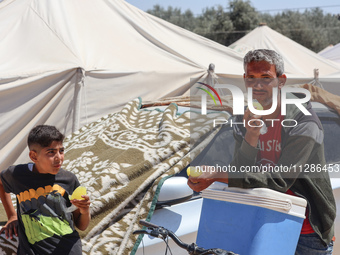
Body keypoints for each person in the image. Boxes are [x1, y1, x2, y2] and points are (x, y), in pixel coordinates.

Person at [188, 49, 336, 254]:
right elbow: (242, 169)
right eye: (251, 78)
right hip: (263, 219)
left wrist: (217, 175)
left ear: (281, 81)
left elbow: (279, 180)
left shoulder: (304, 121)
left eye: (266, 78)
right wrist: (252, 135)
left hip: (306, 230)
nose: (257, 85)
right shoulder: (244, 117)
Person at [0, 125, 91, 255]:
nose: (59, 157)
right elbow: (1, 183)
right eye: (51, 152)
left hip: (68, 249)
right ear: (34, 156)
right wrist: (12, 215)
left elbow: (81, 225)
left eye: (61, 151)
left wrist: (85, 210)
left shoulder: (69, 180)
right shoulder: (18, 175)